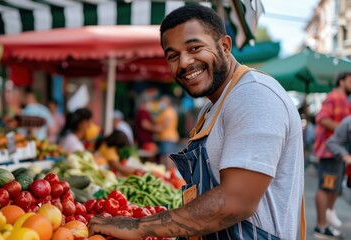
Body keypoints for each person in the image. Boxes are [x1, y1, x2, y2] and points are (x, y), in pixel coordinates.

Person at [89, 5, 305, 240]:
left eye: (195, 48)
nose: (184, 62)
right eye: (173, 55)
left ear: (225, 46)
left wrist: (138, 226)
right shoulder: (214, 106)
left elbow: (235, 201)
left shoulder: (254, 96)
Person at [313, 71, 351, 238]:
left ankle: (326, 223)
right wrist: (344, 130)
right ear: (342, 81)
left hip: (337, 153)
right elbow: (321, 118)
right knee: (326, 187)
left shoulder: (344, 100)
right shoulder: (334, 97)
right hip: (329, 152)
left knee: (333, 188)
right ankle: (321, 227)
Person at [154, 95, 180, 170]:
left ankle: (170, 172)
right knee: (164, 156)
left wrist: (153, 128)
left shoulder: (169, 112)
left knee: (167, 157)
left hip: (168, 137)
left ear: (168, 102)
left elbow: (165, 125)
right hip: (164, 137)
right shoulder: (165, 111)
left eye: (163, 100)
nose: (160, 102)